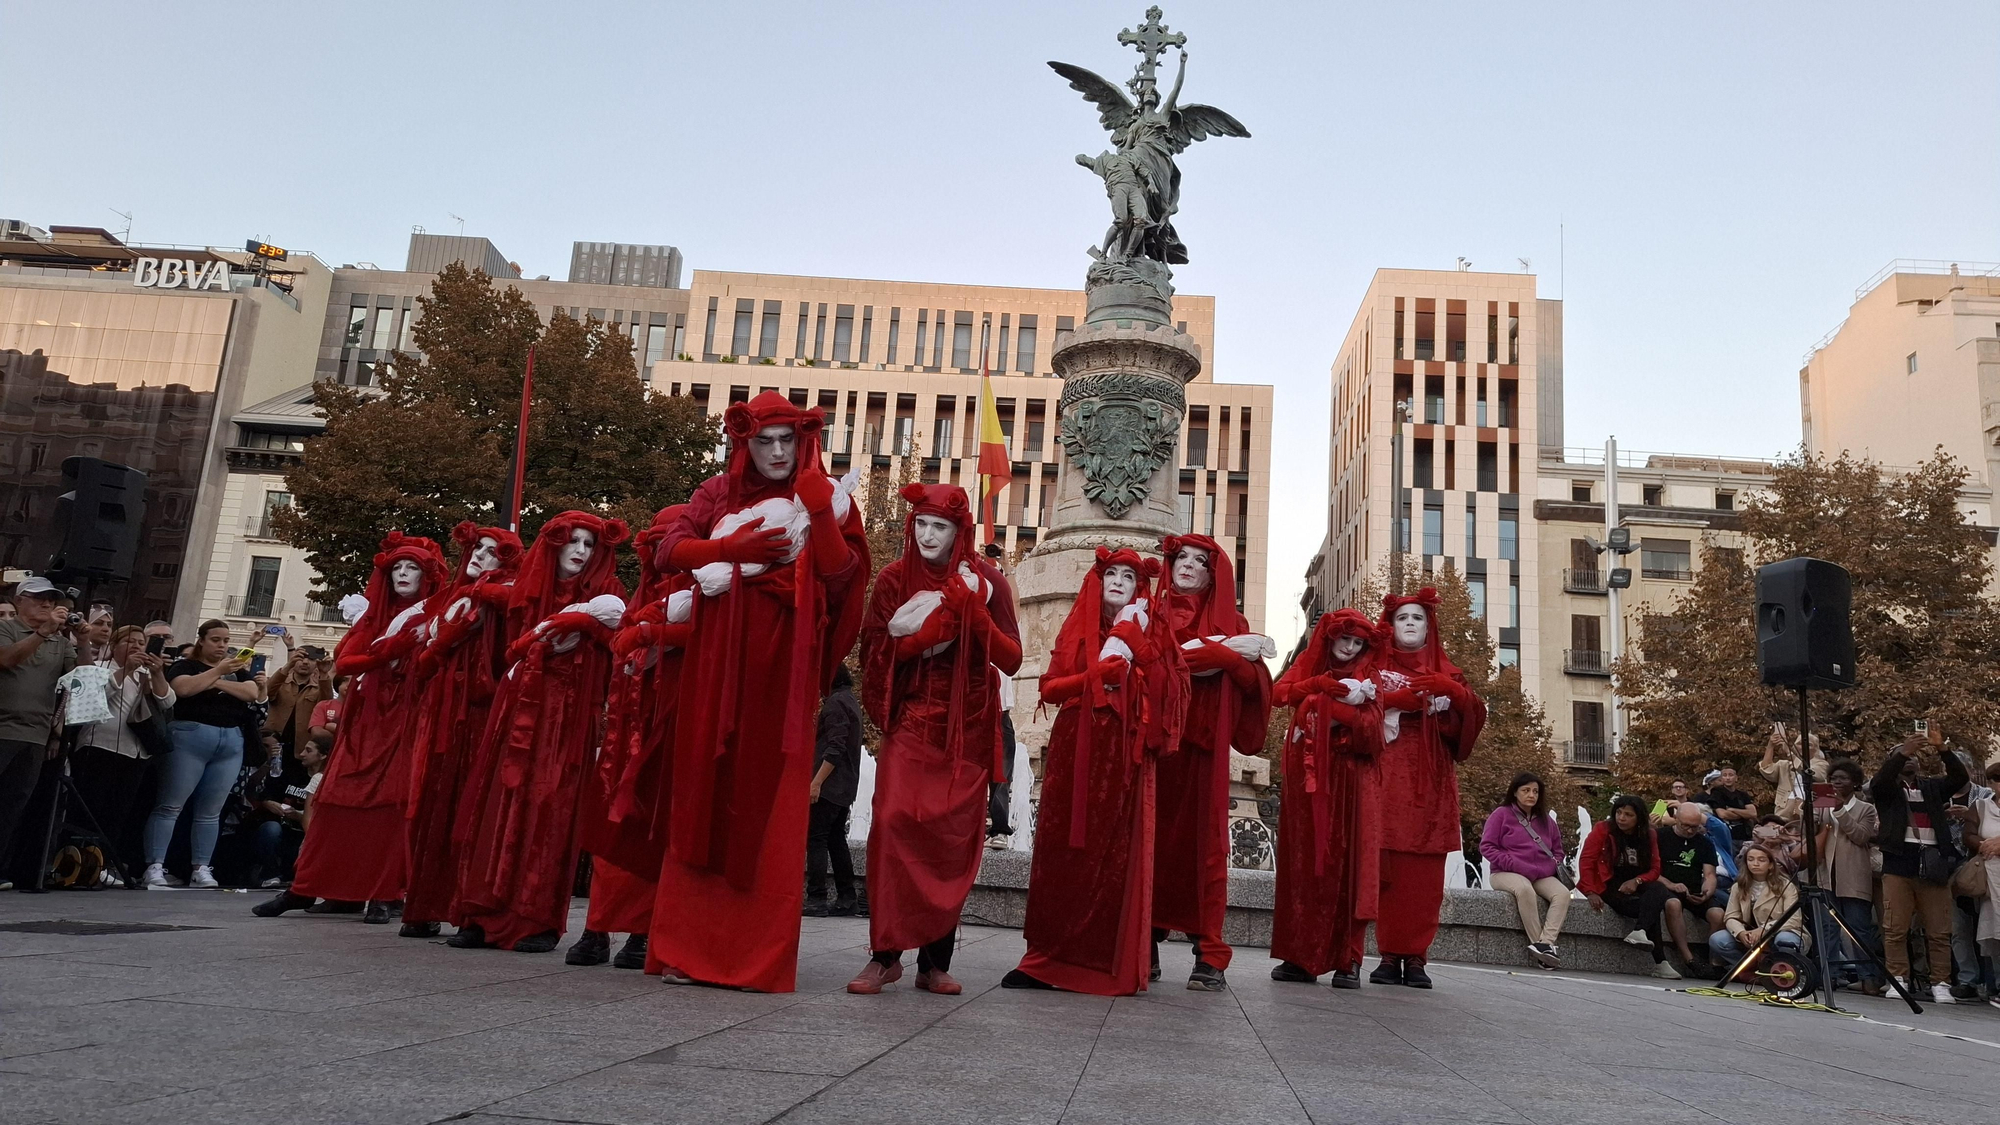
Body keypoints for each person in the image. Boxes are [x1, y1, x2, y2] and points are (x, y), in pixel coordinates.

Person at [648, 392, 868, 992]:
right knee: (705, 789)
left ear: (803, 443)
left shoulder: (822, 494)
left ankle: (752, 958)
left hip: (784, 665)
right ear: (744, 443)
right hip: (718, 660)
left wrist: (821, 512)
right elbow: (669, 548)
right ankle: (690, 950)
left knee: (767, 799)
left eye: (786, 441)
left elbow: (841, 575)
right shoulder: (716, 493)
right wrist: (726, 550)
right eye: (763, 441)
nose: (776, 452)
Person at [849, 484, 1022, 996]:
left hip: (968, 725)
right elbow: (874, 656)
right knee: (893, 821)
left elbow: (1012, 659)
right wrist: (923, 638)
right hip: (914, 719)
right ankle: (884, 955)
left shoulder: (988, 580)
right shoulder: (892, 579)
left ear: (959, 532)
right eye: (920, 524)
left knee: (949, 839)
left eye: (939, 527)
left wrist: (977, 616)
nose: (927, 535)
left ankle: (933, 962)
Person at [1005, 548, 1186, 995]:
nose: (1120, 581)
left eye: (1130, 575)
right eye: (1112, 573)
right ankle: (1049, 959)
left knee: (1117, 856)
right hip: (1076, 748)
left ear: (1140, 588)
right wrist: (1094, 677)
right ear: (1098, 580)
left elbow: (1171, 694)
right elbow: (1049, 686)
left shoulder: (1152, 630)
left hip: (1126, 754)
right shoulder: (1076, 628)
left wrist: (1138, 644)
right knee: (1063, 849)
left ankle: (1105, 962)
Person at [450, 512, 627, 953]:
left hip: (569, 717)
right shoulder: (529, 590)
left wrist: (586, 626)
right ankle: (480, 911)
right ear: (556, 545)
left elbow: (621, 645)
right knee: (498, 801)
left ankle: (536, 917)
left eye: (590, 545)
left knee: (552, 808)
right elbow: (505, 647)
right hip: (518, 708)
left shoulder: (611, 594)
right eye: (574, 542)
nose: (582, 552)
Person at [258, 533, 448, 923]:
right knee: (333, 802)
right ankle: (309, 886)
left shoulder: (434, 615)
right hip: (363, 720)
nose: (403, 574)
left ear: (426, 576)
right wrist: (392, 648)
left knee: (391, 805)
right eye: (398, 567)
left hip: (406, 717)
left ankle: (383, 892)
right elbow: (345, 662)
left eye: (412, 567)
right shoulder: (374, 615)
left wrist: (387, 654)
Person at [1150, 534, 1272, 992]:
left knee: (1207, 852)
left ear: (1212, 574)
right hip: (1156, 749)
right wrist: (1219, 652)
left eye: (1200, 561)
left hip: (1204, 753)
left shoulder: (1234, 621)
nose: (1188, 566)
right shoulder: (1151, 613)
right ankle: (1147, 940)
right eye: (1181, 557)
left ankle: (1210, 952)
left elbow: (1255, 683)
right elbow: (1151, 664)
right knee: (1150, 844)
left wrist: (1228, 658)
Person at [570, 512, 689, 969]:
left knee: (651, 827)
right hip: (625, 725)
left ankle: (641, 930)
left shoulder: (704, 589)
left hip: (667, 722)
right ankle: (597, 927)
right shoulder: (641, 591)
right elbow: (619, 639)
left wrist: (653, 633)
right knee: (612, 826)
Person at [400, 523, 522, 939]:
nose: (480, 556)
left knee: (467, 808)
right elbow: (421, 665)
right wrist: (445, 640)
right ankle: (423, 903)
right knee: (429, 803)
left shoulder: (506, 596)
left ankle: (462, 905)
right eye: (478, 548)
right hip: (438, 715)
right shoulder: (445, 600)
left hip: (479, 714)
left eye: (492, 552)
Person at [1368, 588, 1485, 989]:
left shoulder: (1450, 674)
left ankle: (1416, 958)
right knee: (1387, 872)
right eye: (1402, 618)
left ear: (1429, 625)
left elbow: (1464, 732)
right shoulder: (1372, 669)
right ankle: (1387, 956)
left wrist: (1457, 696)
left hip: (1431, 784)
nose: (1411, 624)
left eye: (1418, 617)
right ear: (1391, 626)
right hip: (1386, 778)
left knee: (1424, 877)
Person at [1269, 607, 1381, 988]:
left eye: (1357, 642)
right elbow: (1278, 693)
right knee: (1301, 861)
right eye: (1344, 639)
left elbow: (1374, 732)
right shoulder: (1308, 662)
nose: (1349, 648)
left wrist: (1328, 710)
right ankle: (1299, 955)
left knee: (1349, 863)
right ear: (1330, 638)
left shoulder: (1371, 673)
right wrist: (1316, 687)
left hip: (1350, 780)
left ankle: (1347, 958)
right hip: (1305, 776)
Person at [150, 620, 265, 888]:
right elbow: (183, 688)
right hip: (191, 735)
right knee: (170, 804)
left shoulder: (232, 668)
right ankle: (155, 864)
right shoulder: (185, 665)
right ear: (201, 640)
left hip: (230, 740)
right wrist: (219, 673)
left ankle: (201, 866)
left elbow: (251, 692)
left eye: (225, 641)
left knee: (211, 810)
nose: (222, 646)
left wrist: (217, 682)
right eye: (216, 640)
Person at [1869, 731, 1968, 1003]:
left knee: (1938, 930)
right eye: (1903, 756)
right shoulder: (1887, 790)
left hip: (1933, 864)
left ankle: (1941, 983)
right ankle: (1898, 979)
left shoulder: (1932, 788)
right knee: (1895, 927)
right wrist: (1901, 752)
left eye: (1913, 756)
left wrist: (1943, 750)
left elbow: (1960, 779)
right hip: (1899, 864)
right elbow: (1878, 782)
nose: (1909, 759)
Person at [72, 624, 174, 882]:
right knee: (92, 809)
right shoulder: (101, 667)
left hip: (135, 752)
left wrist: (158, 672)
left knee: (119, 813)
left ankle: (103, 863)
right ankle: (80, 863)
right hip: (100, 747)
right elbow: (96, 696)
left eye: (142, 642)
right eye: (131, 642)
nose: (138, 647)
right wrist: (125, 670)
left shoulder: (145, 674)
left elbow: (168, 701)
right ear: (114, 645)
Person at [0, 578, 79, 876]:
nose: (47, 604)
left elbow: (79, 678)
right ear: (19, 600)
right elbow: (6, 659)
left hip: (35, 734)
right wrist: (42, 632)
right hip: (2, 729)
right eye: (38, 598)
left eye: (51, 599)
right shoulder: (5, 628)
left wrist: (82, 642)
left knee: (12, 807)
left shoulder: (59, 641)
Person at [1580, 794, 1678, 978]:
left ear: (1639, 818)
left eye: (1628, 815)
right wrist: (1590, 891)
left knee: (1658, 890)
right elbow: (1587, 860)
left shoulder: (1649, 834)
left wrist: (1637, 881)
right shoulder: (1603, 829)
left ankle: (1640, 931)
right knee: (1651, 908)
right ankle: (1660, 962)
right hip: (1609, 884)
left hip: (1636, 882)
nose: (1622, 818)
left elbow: (1655, 869)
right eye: (1619, 812)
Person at [1480, 773, 1570, 970]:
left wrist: (1549, 866)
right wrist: (1512, 863)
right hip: (1504, 873)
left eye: (1535, 791)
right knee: (1524, 889)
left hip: (1540, 874)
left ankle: (1545, 943)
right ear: (1515, 792)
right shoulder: (1501, 815)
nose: (1531, 795)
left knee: (1562, 894)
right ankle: (1541, 949)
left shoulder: (1547, 821)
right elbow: (1486, 847)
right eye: (1526, 790)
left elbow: (1558, 852)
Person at [1814, 758, 1883, 995]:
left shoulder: (1866, 809)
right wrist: (1807, 811)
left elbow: (1861, 836)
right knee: (1828, 928)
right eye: (1833, 779)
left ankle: (1868, 977)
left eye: (1841, 779)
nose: (1836, 783)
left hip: (1853, 876)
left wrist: (1840, 810)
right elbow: (1810, 830)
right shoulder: (1822, 805)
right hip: (1826, 875)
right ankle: (1830, 975)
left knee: (1859, 928)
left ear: (1854, 783)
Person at [805, 663, 862, 919]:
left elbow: (834, 748)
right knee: (836, 839)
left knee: (816, 838)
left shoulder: (836, 704)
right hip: (845, 785)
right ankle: (847, 896)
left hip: (829, 785)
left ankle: (816, 897)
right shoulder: (850, 701)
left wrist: (816, 782)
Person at [1943, 751, 1995, 1002]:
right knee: (1959, 928)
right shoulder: (1940, 794)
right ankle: (1967, 979)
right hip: (1953, 868)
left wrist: (1968, 818)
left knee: (1988, 925)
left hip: (1983, 866)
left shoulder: (1984, 796)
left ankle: (1990, 980)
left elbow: (1975, 827)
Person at [1709, 842, 1808, 973]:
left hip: (1779, 931)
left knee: (1785, 940)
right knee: (1718, 939)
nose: (1755, 863)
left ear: (1771, 864)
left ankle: (1782, 968)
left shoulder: (1785, 885)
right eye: (1751, 859)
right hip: (1750, 935)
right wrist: (1741, 933)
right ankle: (1752, 968)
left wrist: (1764, 929)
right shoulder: (1738, 887)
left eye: (1761, 860)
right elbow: (1731, 916)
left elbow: (1793, 919)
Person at [246, 731, 328, 887]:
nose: (302, 754)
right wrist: (268, 803)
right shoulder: (291, 772)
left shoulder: (326, 780)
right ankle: (269, 875)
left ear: (323, 755)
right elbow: (265, 794)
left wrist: (299, 816)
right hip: (281, 828)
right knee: (270, 829)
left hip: (306, 834)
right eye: (303, 749)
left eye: (309, 751)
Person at [1657, 802, 1726, 975]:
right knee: (1673, 904)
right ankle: (1688, 958)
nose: (1689, 831)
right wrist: (1671, 884)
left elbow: (1710, 874)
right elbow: (1650, 871)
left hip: (1694, 888)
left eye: (1694, 827)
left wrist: (1707, 891)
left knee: (1718, 914)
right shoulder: (1659, 837)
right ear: (1676, 819)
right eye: (1685, 826)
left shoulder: (1704, 843)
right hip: (1667, 886)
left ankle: (1712, 960)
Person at [1957, 766, 2000, 1010]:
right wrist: (1985, 845)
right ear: (1992, 782)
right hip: (1990, 877)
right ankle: (1996, 985)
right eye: (1998, 780)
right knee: (1994, 933)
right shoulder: (1982, 806)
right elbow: (1968, 834)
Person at [261, 636, 322, 755]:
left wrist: (324, 674)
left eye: (311, 659)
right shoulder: (281, 682)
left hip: (301, 748)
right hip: (273, 743)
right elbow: (267, 692)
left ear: (316, 664)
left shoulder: (319, 688)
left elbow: (326, 702)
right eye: (301, 658)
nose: (305, 662)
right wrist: (288, 665)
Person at [1760, 724, 1827, 822]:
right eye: (1800, 743)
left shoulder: (1822, 764)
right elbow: (1766, 770)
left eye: (1809, 744)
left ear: (1816, 749)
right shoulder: (1786, 765)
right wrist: (1771, 746)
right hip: (1784, 808)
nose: (1804, 746)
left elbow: (1812, 774)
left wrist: (1789, 751)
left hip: (1810, 809)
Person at [1705, 766, 1756, 843]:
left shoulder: (1743, 795)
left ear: (1736, 778)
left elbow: (1753, 813)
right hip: (1727, 836)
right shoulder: (1716, 794)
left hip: (1745, 835)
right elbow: (1723, 815)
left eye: (1730, 775)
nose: (1728, 778)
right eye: (1725, 775)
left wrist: (1733, 810)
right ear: (1721, 779)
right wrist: (1744, 815)